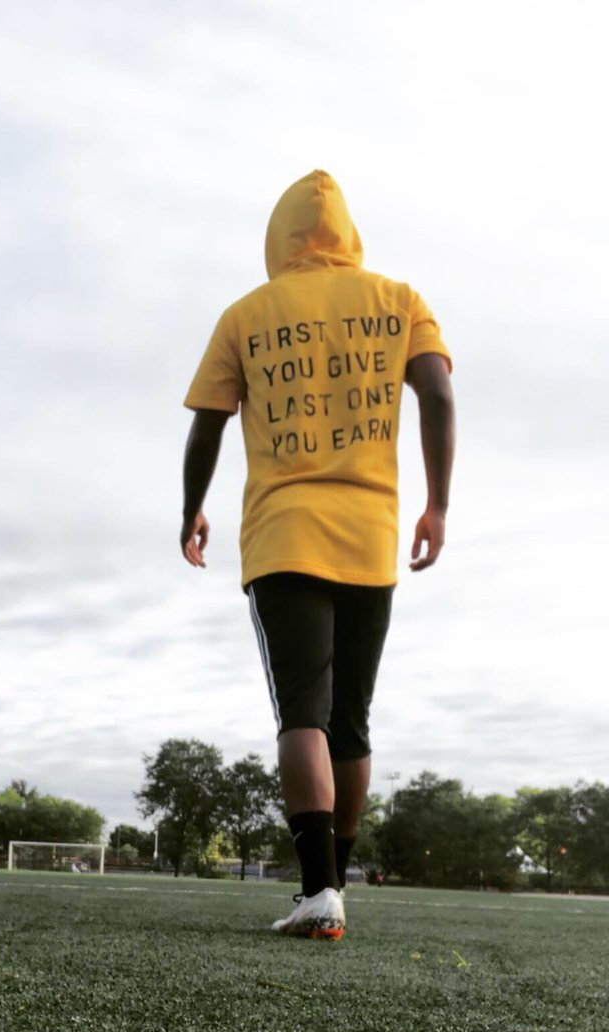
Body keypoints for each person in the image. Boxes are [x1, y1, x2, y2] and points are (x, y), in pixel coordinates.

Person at [180, 170, 454, 940]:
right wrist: (437, 503)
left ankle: (317, 890)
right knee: (352, 722)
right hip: (371, 532)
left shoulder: (247, 313)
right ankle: (336, 881)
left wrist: (190, 508)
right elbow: (436, 391)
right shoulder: (399, 300)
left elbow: (208, 423)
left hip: (283, 533)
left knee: (302, 710)